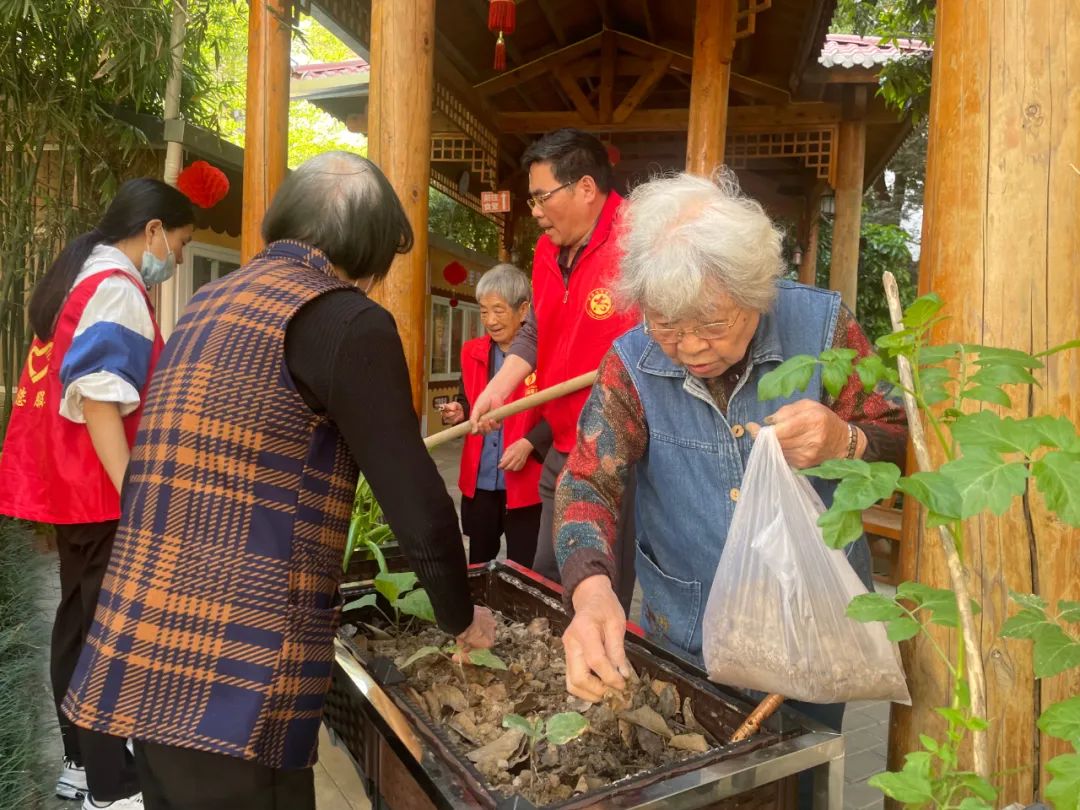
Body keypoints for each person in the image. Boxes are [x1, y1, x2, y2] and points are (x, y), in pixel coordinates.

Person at [61, 152, 495, 810]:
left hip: (144, 645)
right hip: (236, 676)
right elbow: (417, 503)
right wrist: (461, 617)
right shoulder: (347, 319)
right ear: (368, 246)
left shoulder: (206, 303)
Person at [554, 172, 908, 735]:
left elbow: (896, 430)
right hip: (690, 638)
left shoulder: (821, 329)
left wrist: (846, 440)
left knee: (801, 786)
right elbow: (588, 481)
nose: (690, 347)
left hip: (813, 631)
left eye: (713, 325)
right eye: (667, 326)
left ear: (756, 292)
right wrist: (592, 592)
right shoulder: (632, 361)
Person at [0, 178, 196, 809]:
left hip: (69, 487)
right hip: (99, 491)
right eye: (183, 243)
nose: (181, 260)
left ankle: (84, 764)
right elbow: (102, 395)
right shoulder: (117, 286)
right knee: (108, 635)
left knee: (78, 623)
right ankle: (111, 788)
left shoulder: (80, 278)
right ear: (155, 231)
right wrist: (135, 490)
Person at [469, 129, 639, 608]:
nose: (535, 210)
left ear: (585, 188)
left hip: (613, 450)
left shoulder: (639, 240)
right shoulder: (548, 248)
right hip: (562, 444)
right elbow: (537, 329)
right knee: (543, 575)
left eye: (542, 197)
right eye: (531, 198)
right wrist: (500, 390)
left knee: (597, 583)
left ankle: (599, 671)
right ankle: (546, 665)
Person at [438, 264, 549, 565]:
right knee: (478, 561)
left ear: (524, 309)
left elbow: (559, 413)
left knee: (524, 566)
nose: (490, 320)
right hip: (482, 479)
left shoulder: (546, 356)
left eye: (498, 310)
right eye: (484, 311)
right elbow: (468, 398)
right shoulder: (471, 351)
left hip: (526, 483)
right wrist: (459, 410)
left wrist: (529, 443)